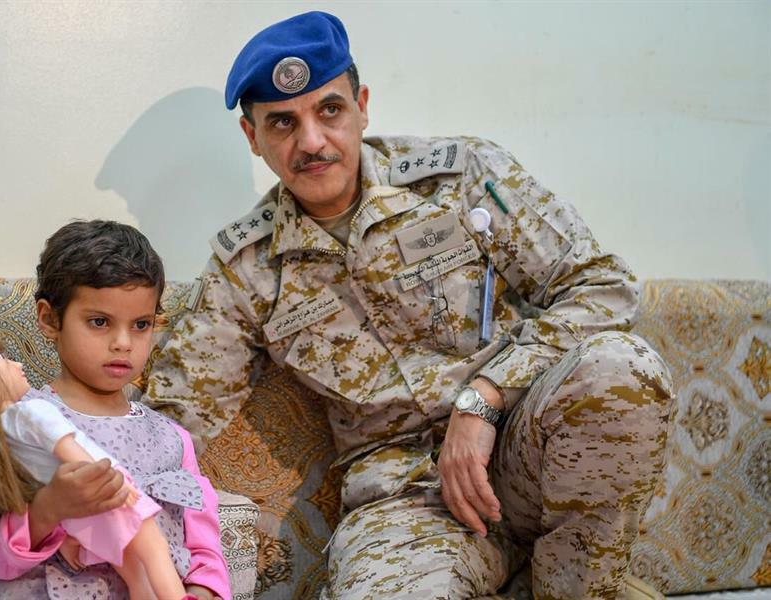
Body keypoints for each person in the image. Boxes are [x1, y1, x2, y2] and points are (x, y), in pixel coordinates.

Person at [146, 11, 673, 600]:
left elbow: (604, 287)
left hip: (525, 448)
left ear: (362, 106)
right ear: (253, 138)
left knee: (620, 366)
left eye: (329, 110)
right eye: (283, 123)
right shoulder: (247, 268)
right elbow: (174, 417)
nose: (311, 142)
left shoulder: (461, 180)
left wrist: (485, 398)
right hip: (404, 500)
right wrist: (76, 457)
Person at [0, 221, 230, 600]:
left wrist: (203, 591)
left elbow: (204, 549)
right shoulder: (18, 427)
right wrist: (48, 509)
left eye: (141, 325)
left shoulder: (172, 439)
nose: (123, 343)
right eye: (99, 322)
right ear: (50, 319)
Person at [0, 326, 194, 599]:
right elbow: (67, 447)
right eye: (4, 359)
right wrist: (112, 481)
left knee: (133, 571)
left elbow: (39, 479)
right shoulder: (30, 411)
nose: (18, 364)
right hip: (105, 486)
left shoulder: (0, 439)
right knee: (154, 547)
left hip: (78, 516)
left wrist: (68, 535)